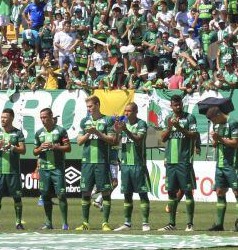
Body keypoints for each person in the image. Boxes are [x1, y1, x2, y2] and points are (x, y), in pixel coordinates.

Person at [76, 96, 118, 231]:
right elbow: (79, 141)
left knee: (106, 192)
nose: (89, 109)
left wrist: (97, 132)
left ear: (98, 105)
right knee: (86, 192)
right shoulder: (84, 121)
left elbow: (112, 140)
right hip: (87, 162)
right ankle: (85, 223)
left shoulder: (107, 120)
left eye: (91, 106)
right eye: (87, 107)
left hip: (102, 162)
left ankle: (105, 223)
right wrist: (89, 134)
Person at [159, 94, 199, 231]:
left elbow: (194, 135)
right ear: (171, 106)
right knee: (171, 192)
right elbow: (163, 139)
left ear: (182, 104)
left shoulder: (190, 118)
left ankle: (190, 224)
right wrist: (170, 127)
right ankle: (171, 224)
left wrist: (180, 128)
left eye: (179, 104)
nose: (178, 107)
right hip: (171, 161)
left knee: (187, 191)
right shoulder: (168, 118)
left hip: (184, 161)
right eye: (175, 105)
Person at [205, 104, 238, 232]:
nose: (213, 122)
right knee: (219, 192)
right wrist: (214, 141)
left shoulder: (233, 123)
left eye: (213, 119)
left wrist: (220, 139)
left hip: (232, 165)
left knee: (237, 192)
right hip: (220, 165)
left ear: (218, 115)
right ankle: (219, 224)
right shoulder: (217, 125)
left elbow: (235, 143)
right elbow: (217, 144)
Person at [114, 102, 151, 232]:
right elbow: (115, 142)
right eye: (125, 111)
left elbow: (138, 139)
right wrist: (117, 131)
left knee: (142, 194)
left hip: (138, 164)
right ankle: (127, 223)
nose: (126, 113)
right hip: (125, 165)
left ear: (135, 112)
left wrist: (125, 130)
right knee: (127, 195)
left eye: (129, 111)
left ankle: (145, 223)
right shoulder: (123, 125)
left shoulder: (141, 124)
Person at [0, 108, 26, 230]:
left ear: (11, 118)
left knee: (17, 197)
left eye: (5, 117)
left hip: (13, 171)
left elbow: (23, 150)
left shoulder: (18, 133)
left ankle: (18, 222)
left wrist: (13, 147)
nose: (2, 119)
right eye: (2, 117)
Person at [34, 108, 71, 230]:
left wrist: (55, 146)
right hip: (44, 169)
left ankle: (65, 223)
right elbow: (34, 151)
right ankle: (48, 223)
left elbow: (68, 148)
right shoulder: (39, 133)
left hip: (57, 168)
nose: (43, 120)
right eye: (41, 118)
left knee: (61, 194)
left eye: (45, 117)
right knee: (45, 196)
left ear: (51, 117)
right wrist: (40, 148)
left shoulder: (60, 130)